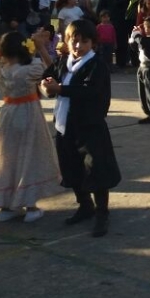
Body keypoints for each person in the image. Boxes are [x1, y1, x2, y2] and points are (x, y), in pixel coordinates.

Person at [40, 18, 122, 237]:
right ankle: (85, 206)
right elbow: (46, 78)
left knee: (96, 171)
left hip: (90, 127)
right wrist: (47, 87)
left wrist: (61, 89)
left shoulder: (97, 65)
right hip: (66, 126)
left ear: (93, 43)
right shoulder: (63, 61)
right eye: (74, 41)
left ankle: (102, 213)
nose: (78, 46)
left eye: (84, 42)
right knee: (72, 169)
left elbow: (92, 92)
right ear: (67, 41)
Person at [0, 30, 59, 223]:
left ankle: (6, 206)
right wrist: (40, 48)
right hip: (28, 112)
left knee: (7, 156)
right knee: (29, 155)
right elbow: (53, 70)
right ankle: (30, 205)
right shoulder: (31, 68)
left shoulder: (2, 70)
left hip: (8, 114)